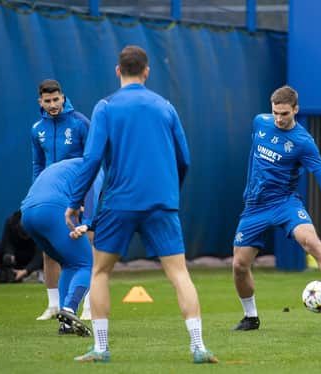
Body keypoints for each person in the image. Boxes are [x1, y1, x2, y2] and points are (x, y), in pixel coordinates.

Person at [64, 45, 217, 364]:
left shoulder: (105, 107)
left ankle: (102, 349)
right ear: (147, 72)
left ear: (118, 71)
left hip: (119, 202)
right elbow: (184, 159)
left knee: (101, 272)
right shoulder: (166, 107)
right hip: (161, 202)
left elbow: (92, 158)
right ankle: (199, 347)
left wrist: (75, 201)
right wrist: (170, 192)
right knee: (179, 273)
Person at [231, 85, 321, 331]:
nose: (279, 119)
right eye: (276, 113)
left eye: (285, 114)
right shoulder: (260, 123)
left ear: (296, 110)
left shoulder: (304, 142)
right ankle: (251, 317)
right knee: (239, 265)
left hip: (285, 202)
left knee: (310, 241)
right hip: (254, 206)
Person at [21, 158, 102, 336]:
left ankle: (65, 324)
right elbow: (91, 197)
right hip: (52, 209)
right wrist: (86, 224)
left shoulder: (67, 166)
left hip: (27, 213)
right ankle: (70, 309)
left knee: (69, 264)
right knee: (86, 263)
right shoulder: (97, 166)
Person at [32, 79, 90, 321]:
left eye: (56, 99)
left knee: (87, 245)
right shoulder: (37, 129)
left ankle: (89, 305)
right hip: (51, 196)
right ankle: (54, 305)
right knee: (50, 250)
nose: (53, 104)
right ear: (41, 102)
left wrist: (86, 196)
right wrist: (36, 190)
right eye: (48, 101)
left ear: (63, 97)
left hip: (77, 194)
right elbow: (38, 164)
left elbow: (92, 161)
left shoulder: (80, 123)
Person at [0, 210, 42, 283]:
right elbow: (6, 241)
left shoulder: (38, 225)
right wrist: (9, 254)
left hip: (32, 254)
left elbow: (39, 254)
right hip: (17, 255)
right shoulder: (10, 221)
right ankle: (8, 272)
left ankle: (41, 272)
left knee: (47, 253)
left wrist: (26, 271)